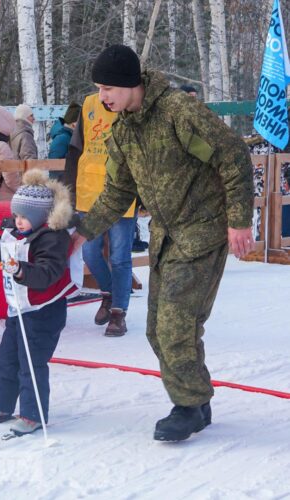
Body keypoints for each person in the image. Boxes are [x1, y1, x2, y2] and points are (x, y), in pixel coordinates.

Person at [73, 45, 254, 441]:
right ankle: (198, 400)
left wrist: (239, 220)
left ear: (129, 83)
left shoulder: (177, 112)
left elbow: (232, 155)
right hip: (166, 236)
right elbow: (117, 191)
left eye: (107, 88)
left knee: (175, 325)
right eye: (99, 89)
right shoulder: (123, 130)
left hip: (203, 229)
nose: (102, 97)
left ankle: (188, 407)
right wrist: (81, 234)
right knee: (158, 329)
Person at [0, 169, 76, 436]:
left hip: (44, 310)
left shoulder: (53, 238)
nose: (18, 221)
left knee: (31, 362)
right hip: (19, 307)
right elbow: (9, 259)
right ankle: (0, 404)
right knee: (7, 358)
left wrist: (19, 269)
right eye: (16, 215)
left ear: (41, 217)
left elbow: (47, 274)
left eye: (24, 217)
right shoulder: (17, 233)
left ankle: (33, 413)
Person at [65, 93, 137, 336]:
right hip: (89, 194)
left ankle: (118, 312)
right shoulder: (88, 103)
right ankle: (108, 293)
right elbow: (75, 150)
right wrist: (70, 189)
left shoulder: (132, 103)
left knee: (119, 257)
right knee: (89, 252)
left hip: (122, 195)